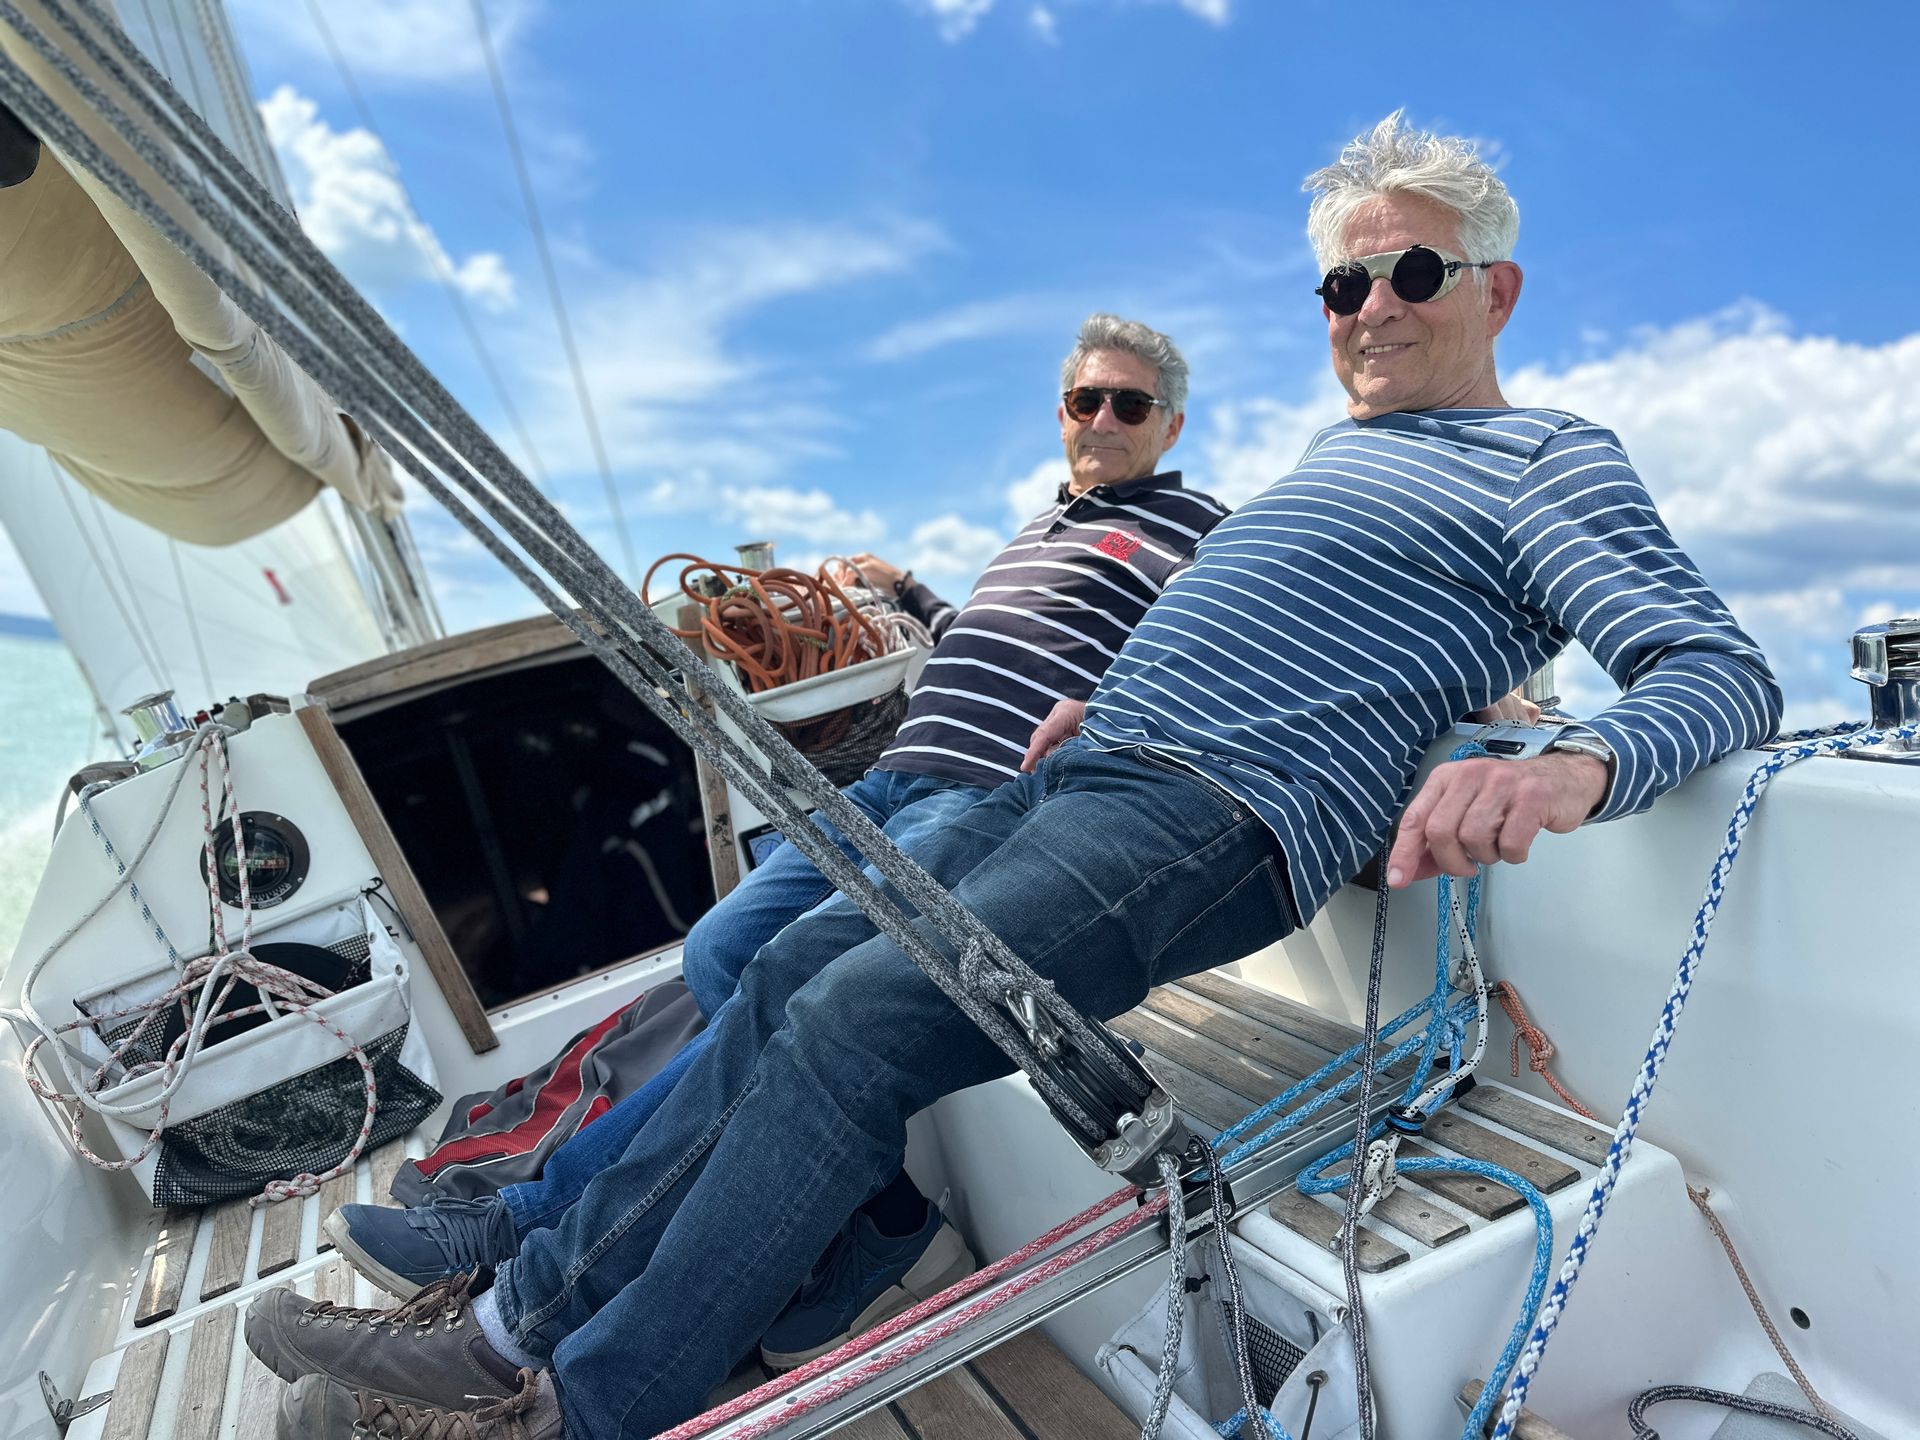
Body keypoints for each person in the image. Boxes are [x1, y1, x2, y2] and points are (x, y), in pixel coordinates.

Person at [251, 114, 1781, 1440]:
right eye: (1344, 284)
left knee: (856, 1028)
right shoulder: (1334, 457)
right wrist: (1100, 698)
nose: (1371, 307)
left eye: (1413, 273)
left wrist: (1576, 761)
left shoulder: (1543, 460)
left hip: (1216, 812)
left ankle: (574, 1399)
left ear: (1496, 290)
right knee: (778, 976)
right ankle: (511, 1317)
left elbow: (1718, 668)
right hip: (1077, 774)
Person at [314, 312, 1233, 1365]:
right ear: (1062, 413)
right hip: (890, 779)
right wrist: (904, 590)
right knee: (719, 953)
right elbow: (974, 638)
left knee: (793, 982)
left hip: (984, 798)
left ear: (1170, 425)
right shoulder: (1037, 530)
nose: (1104, 418)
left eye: (1131, 404)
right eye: (1086, 399)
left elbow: (1223, 651)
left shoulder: (1198, 527)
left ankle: (531, 1219)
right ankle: (881, 1220)